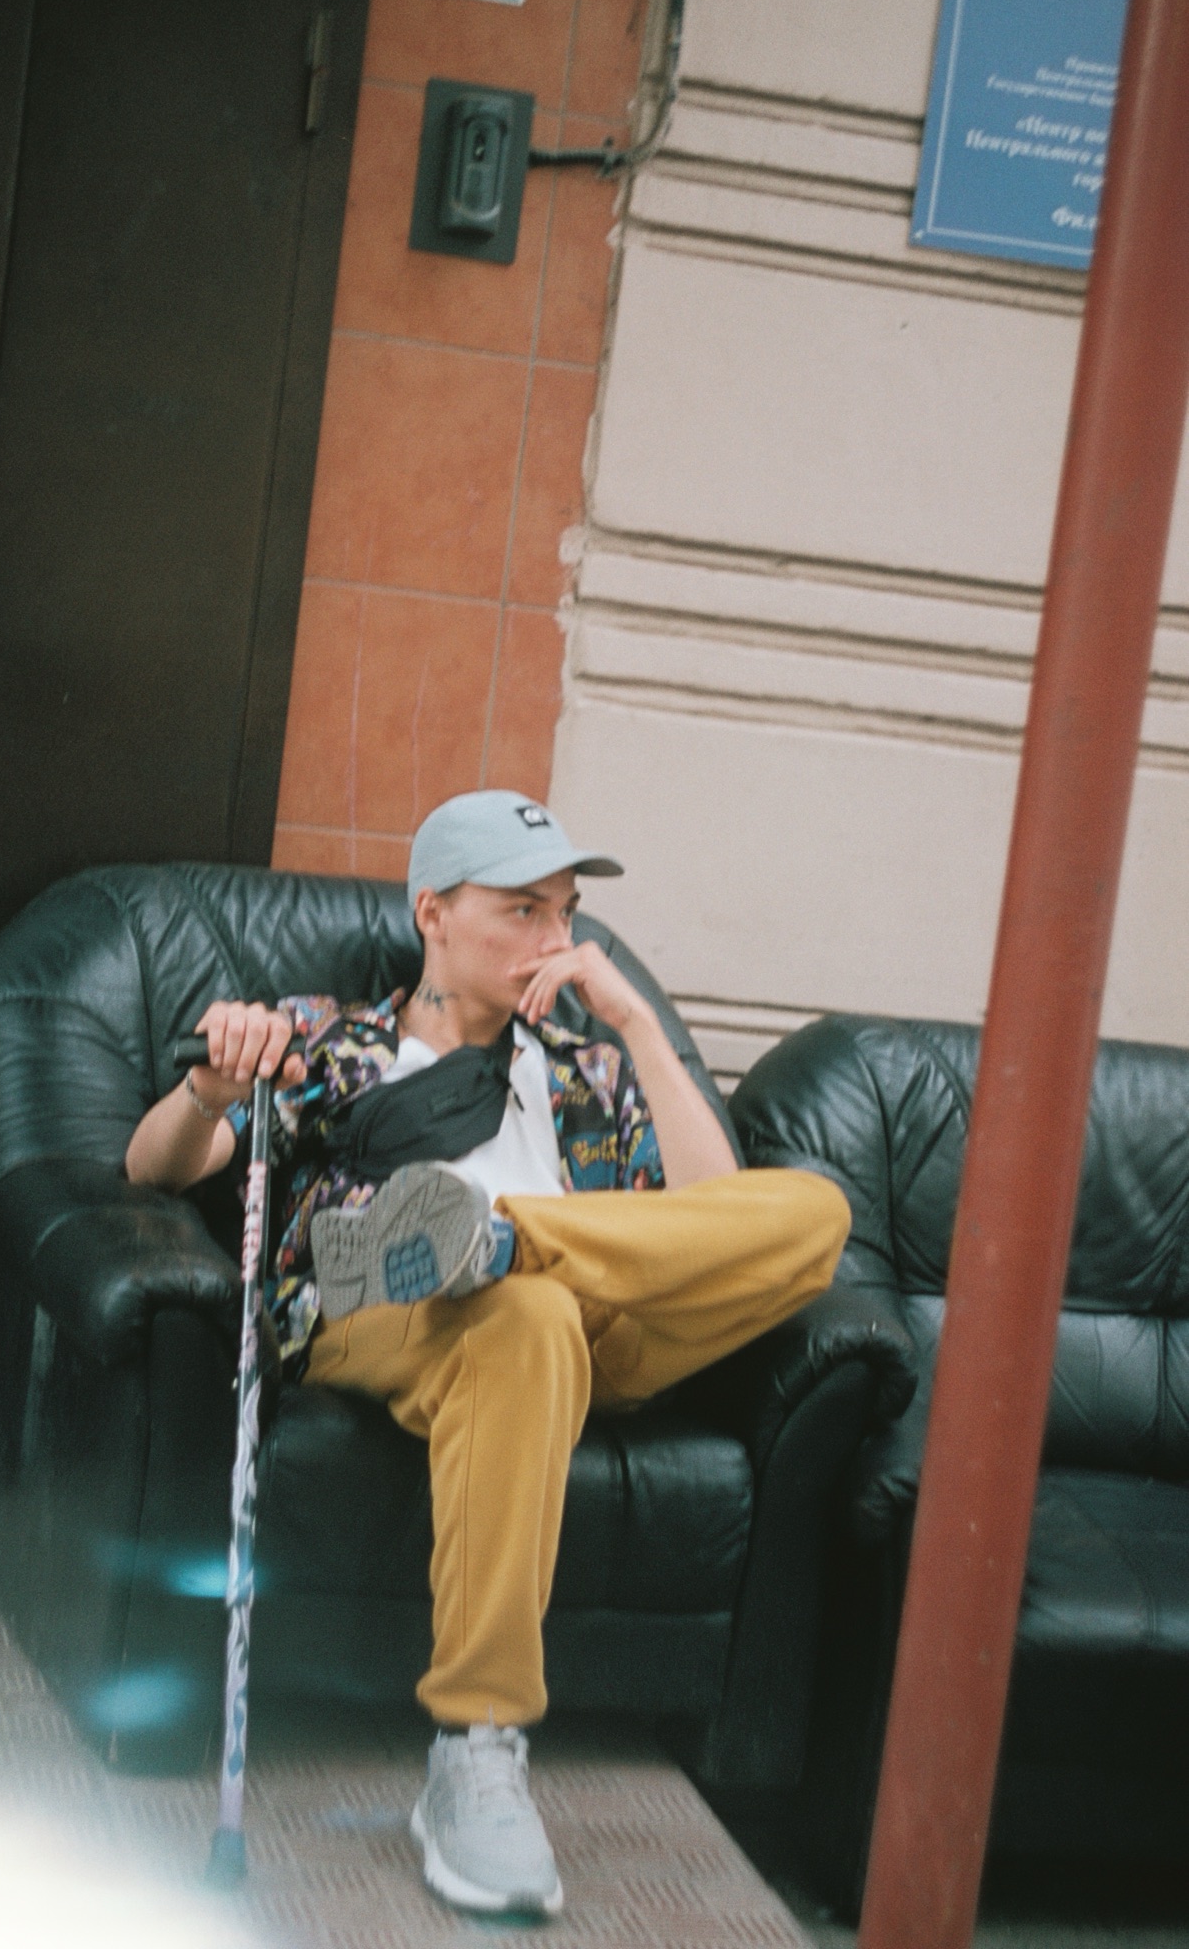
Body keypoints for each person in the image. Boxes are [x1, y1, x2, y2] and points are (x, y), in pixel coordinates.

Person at [125, 790, 850, 1919]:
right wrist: (209, 1086)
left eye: (565, 913)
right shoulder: (331, 1041)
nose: (553, 938)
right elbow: (155, 1168)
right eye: (522, 909)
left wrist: (635, 1025)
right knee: (524, 1317)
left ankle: (504, 1235)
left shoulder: (584, 1067)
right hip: (383, 1298)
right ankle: (476, 1746)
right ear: (434, 913)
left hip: (583, 1310)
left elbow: (713, 1213)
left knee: (811, 1214)